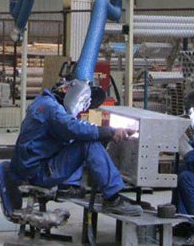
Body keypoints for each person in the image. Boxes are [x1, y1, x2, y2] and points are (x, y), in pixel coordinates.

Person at [8, 78, 141, 216]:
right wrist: (110, 132)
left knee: (80, 139)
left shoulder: (42, 102)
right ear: (66, 89)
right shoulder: (51, 107)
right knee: (88, 143)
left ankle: (68, 186)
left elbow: (70, 130)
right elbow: (73, 127)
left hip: (30, 169)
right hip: (38, 173)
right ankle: (113, 199)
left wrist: (103, 133)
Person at [172, 89, 194, 242]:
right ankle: (184, 222)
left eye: (191, 113)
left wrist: (188, 153)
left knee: (186, 178)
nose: (190, 117)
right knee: (181, 170)